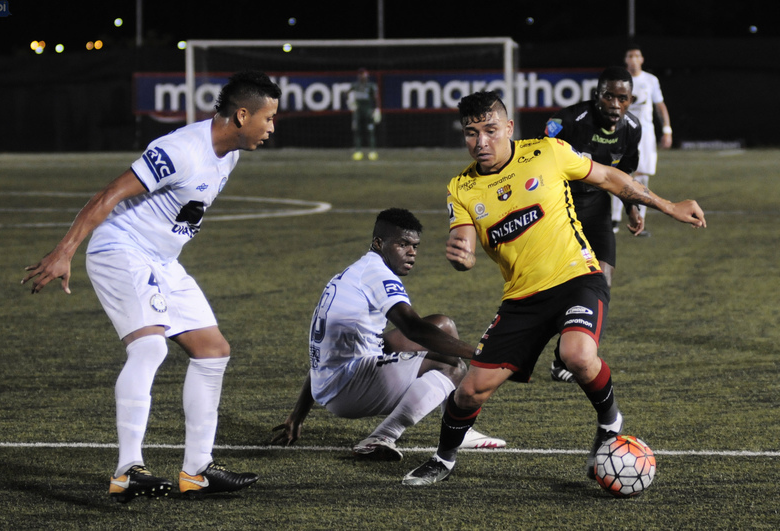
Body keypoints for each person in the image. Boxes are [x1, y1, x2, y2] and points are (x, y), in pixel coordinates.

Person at [402, 91, 705, 486]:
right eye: (471, 133)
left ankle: (610, 419)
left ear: (509, 127)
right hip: (521, 299)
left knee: (576, 354)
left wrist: (669, 206)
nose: (481, 142)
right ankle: (443, 460)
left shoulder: (548, 152)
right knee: (470, 392)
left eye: (490, 130)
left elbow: (610, 177)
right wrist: (463, 257)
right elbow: (464, 242)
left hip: (577, 277)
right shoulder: (461, 187)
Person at [21, 71, 282, 502]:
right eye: (268, 118)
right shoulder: (181, 150)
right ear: (241, 115)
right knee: (150, 347)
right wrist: (64, 251)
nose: (272, 127)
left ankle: (196, 471)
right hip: (120, 248)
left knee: (213, 350)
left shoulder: (230, 152)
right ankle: (127, 471)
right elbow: (108, 194)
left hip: (162, 261)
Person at [271, 208, 505, 460]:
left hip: (330, 379)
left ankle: (461, 429)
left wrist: (298, 414)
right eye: (402, 244)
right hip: (346, 388)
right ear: (378, 243)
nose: (411, 252)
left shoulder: (355, 272)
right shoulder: (377, 274)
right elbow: (413, 329)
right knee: (453, 365)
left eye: (414, 245)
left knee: (442, 325)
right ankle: (383, 436)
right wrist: (481, 354)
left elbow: (324, 352)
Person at [543, 66, 643, 383]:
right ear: (597, 96)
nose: (615, 103)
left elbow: (624, 172)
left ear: (630, 100)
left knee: (603, 279)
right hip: (561, 209)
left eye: (622, 98)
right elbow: (537, 157)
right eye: (609, 95)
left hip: (598, 207)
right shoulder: (568, 121)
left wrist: (632, 209)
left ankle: (567, 356)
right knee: (560, 286)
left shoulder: (631, 128)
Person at [611, 44, 673, 237]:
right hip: (622, 132)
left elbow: (660, 105)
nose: (634, 59)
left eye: (637, 55)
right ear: (626, 60)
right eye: (630, 56)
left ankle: (640, 221)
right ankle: (614, 219)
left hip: (645, 134)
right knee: (618, 174)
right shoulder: (619, 80)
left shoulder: (650, 80)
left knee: (642, 176)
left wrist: (667, 129)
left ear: (642, 59)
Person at [347, 68, 381, 161]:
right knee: (357, 131)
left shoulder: (371, 86)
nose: (362, 76)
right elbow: (347, 94)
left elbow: (375, 97)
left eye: (364, 74)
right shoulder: (354, 85)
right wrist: (350, 103)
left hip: (368, 111)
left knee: (370, 131)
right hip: (358, 112)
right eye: (360, 74)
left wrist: (377, 109)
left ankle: (372, 151)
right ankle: (358, 151)